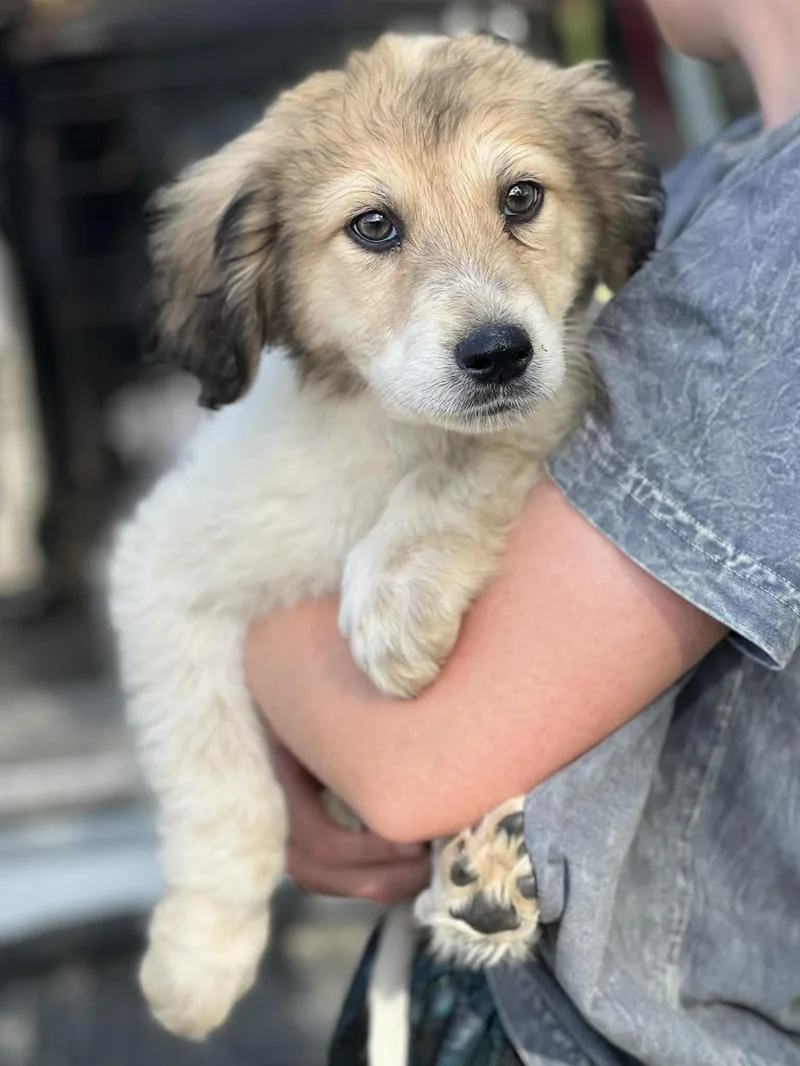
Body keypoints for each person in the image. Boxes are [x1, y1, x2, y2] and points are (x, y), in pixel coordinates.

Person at [245, 0, 800, 1062]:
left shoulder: (777, 252)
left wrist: (256, 642)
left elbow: (412, 770)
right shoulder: (720, 180)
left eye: (517, 201)